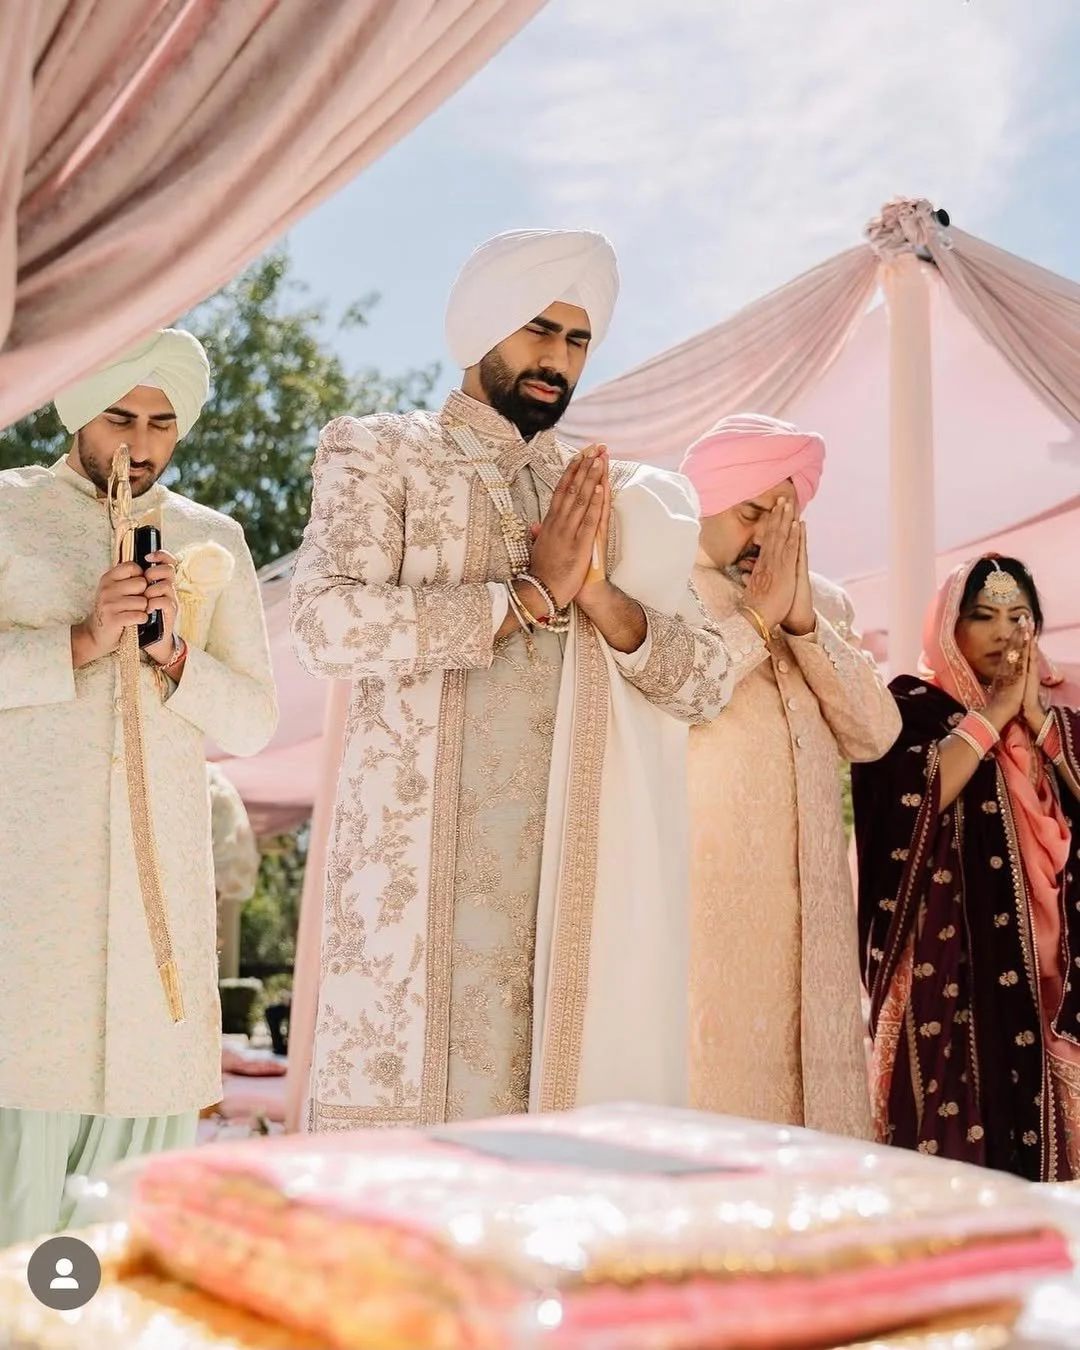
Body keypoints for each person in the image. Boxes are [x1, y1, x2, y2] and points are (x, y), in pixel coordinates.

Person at [290, 229, 784, 1130]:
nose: (557, 360)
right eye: (537, 331)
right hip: (414, 883)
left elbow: (702, 683)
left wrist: (596, 594)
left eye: (578, 340)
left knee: (545, 1168)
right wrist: (520, 598)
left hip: (565, 896)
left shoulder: (603, 489)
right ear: (482, 327)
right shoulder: (381, 452)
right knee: (404, 1191)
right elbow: (325, 625)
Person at [0, 329, 278, 1243]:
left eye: (163, 422)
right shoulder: (8, 513)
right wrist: (79, 642)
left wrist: (172, 653)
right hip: (33, 919)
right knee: (17, 1218)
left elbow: (251, 722)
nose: (141, 441)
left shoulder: (213, 542)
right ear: (80, 407)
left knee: (122, 1237)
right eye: (121, 414)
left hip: (154, 943)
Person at [678, 413, 900, 1137]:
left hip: (818, 922)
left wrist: (801, 621)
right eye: (751, 512)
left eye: (786, 518)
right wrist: (755, 619)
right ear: (705, 500)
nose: (767, 537)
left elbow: (875, 734)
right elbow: (677, 703)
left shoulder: (824, 602)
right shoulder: (660, 586)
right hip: (712, 915)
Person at [853, 555, 1080, 1181]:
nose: (1005, 632)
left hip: (1058, 974)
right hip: (955, 968)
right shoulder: (910, 709)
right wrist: (995, 713)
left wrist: (1036, 719)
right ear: (949, 628)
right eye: (983, 617)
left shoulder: (1061, 719)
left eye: (1019, 616)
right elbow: (915, 793)